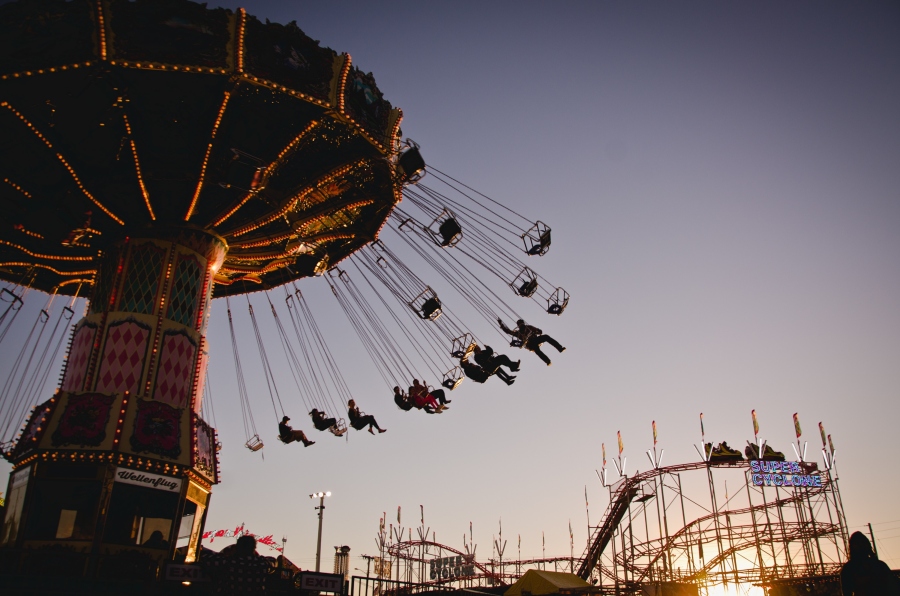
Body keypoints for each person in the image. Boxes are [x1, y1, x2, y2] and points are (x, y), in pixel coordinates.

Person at [202, 534, 275, 595]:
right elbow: (273, 562)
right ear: (254, 548)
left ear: (237, 547)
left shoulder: (228, 562)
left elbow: (207, 559)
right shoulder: (262, 563)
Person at [498, 318, 565, 366]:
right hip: (530, 344)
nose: (521, 325)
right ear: (518, 326)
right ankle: (547, 361)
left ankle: (559, 348)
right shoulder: (518, 333)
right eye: (520, 324)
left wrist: (538, 331)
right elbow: (508, 331)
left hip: (535, 339)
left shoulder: (529, 327)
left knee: (546, 337)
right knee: (537, 350)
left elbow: (539, 331)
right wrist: (501, 324)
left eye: (521, 324)